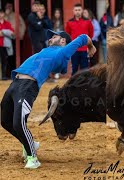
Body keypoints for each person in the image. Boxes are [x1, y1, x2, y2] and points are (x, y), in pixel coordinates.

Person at [0, 30, 96, 169]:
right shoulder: (49, 52)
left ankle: (33, 158)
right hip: (14, 84)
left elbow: (83, 37)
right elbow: (62, 69)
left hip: (27, 86)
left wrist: (90, 46)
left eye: (55, 36)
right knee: (5, 121)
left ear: (63, 41)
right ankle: (30, 143)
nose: (51, 37)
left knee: (18, 124)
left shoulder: (62, 52)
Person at [66, 3, 93, 75]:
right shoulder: (69, 22)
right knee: (74, 69)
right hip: (74, 49)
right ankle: (73, 85)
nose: (77, 11)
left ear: (82, 11)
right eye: (76, 10)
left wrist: (88, 45)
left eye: (79, 10)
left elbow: (91, 34)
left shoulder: (88, 21)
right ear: (73, 11)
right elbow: (67, 35)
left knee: (85, 70)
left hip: (84, 50)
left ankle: (85, 85)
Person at [4, 3, 26, 77]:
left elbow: (23, 25)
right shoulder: (4, 16)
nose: (9, 8)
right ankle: (9, 73)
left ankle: (19, 72)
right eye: (7, 7)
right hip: (8, 39)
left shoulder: (16, 15)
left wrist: (21, 34)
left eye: (10, 6)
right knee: (9, 56)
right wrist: (6, 15)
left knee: (18, 55)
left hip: (17, 38)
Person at [0, 9, 14, 80]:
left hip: (4, 45)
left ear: (3, 14)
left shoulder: (7, 23)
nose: (0, 15)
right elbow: (10, 32)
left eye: (1, 13)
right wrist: (7, 32)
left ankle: (3, 75)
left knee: (4, 60)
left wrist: (2, 32)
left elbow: (12, 32)